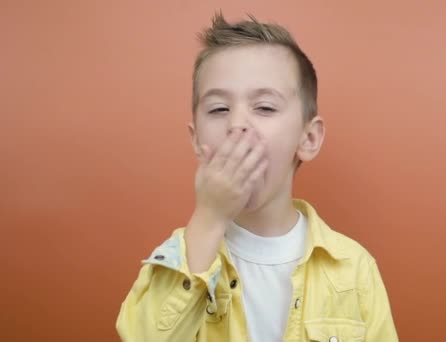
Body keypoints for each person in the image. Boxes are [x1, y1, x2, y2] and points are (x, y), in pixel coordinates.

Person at [116, 12, 398, 341]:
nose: (237, 124)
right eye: (219, 109)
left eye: (264, 107)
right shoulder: (178, 258)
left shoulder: (354, 268)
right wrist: (208, 219)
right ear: (196, 141)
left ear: (308, 139)